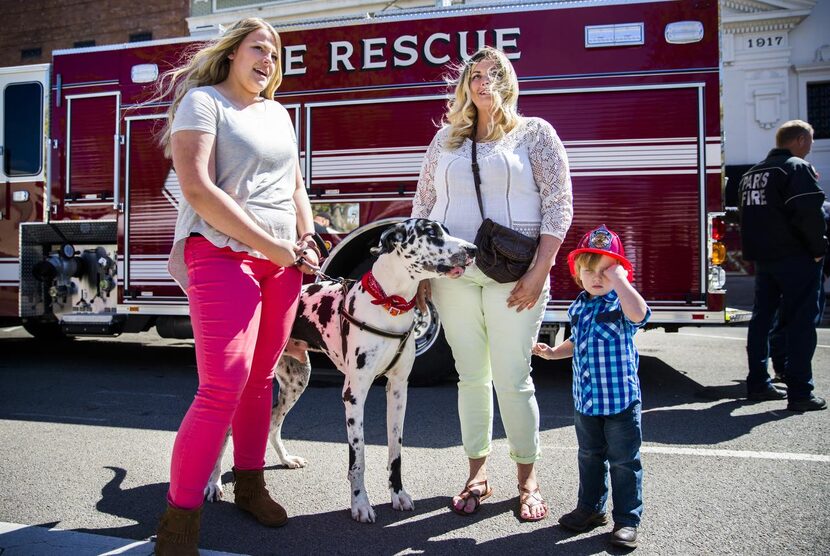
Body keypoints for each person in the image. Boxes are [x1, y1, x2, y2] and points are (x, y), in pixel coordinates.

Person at [153, 18, 319, 555]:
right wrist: (269, 246)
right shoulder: (203, 104)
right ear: (231, 55)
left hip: (282, 264)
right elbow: (197, 188)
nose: (268, 60)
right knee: (222, 383)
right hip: (223, 253)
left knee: (260, 378)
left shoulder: (278, 114)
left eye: (275, 53)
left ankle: (250, 485)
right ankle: (179, 521)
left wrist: (308, 236)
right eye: (258, 49)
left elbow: (295, 184)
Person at [411, 46, 573, 521]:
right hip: (454, 277)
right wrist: (422, 270)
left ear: (509, 81)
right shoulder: (445, 140)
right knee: (471, 378)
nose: (484, 82)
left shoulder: (534, 134)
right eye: (475, 75)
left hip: (515, 277)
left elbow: (558, 205)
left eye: (494, 74)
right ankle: (476, 473)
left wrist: (539, 271)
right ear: (465, 86)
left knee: (512, 378)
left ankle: (528, 478)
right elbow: (424, 205)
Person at [533, 225, 650, 549]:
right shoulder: (579, 306)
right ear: (578, 275)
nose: (598, 278)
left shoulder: (620, 303)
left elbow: (640, 315)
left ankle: (626, 520)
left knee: (624, 462)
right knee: (589, 456)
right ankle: (590, 509)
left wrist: (621, 280)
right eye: (590, 271)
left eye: (606, 271)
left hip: (620, 403)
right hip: (586, 402)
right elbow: (579, 340)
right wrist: (556, 352)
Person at [738, 119, 827, 411]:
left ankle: (758, 383)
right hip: (796, 258)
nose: (811, 147)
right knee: (802, 322)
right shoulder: (795, 168)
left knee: (762, 320)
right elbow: (809, 213)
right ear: (801, 139)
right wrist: (818, 250)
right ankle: (800, 392)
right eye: (811, 141)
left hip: (766, 261)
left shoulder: (751, 174)